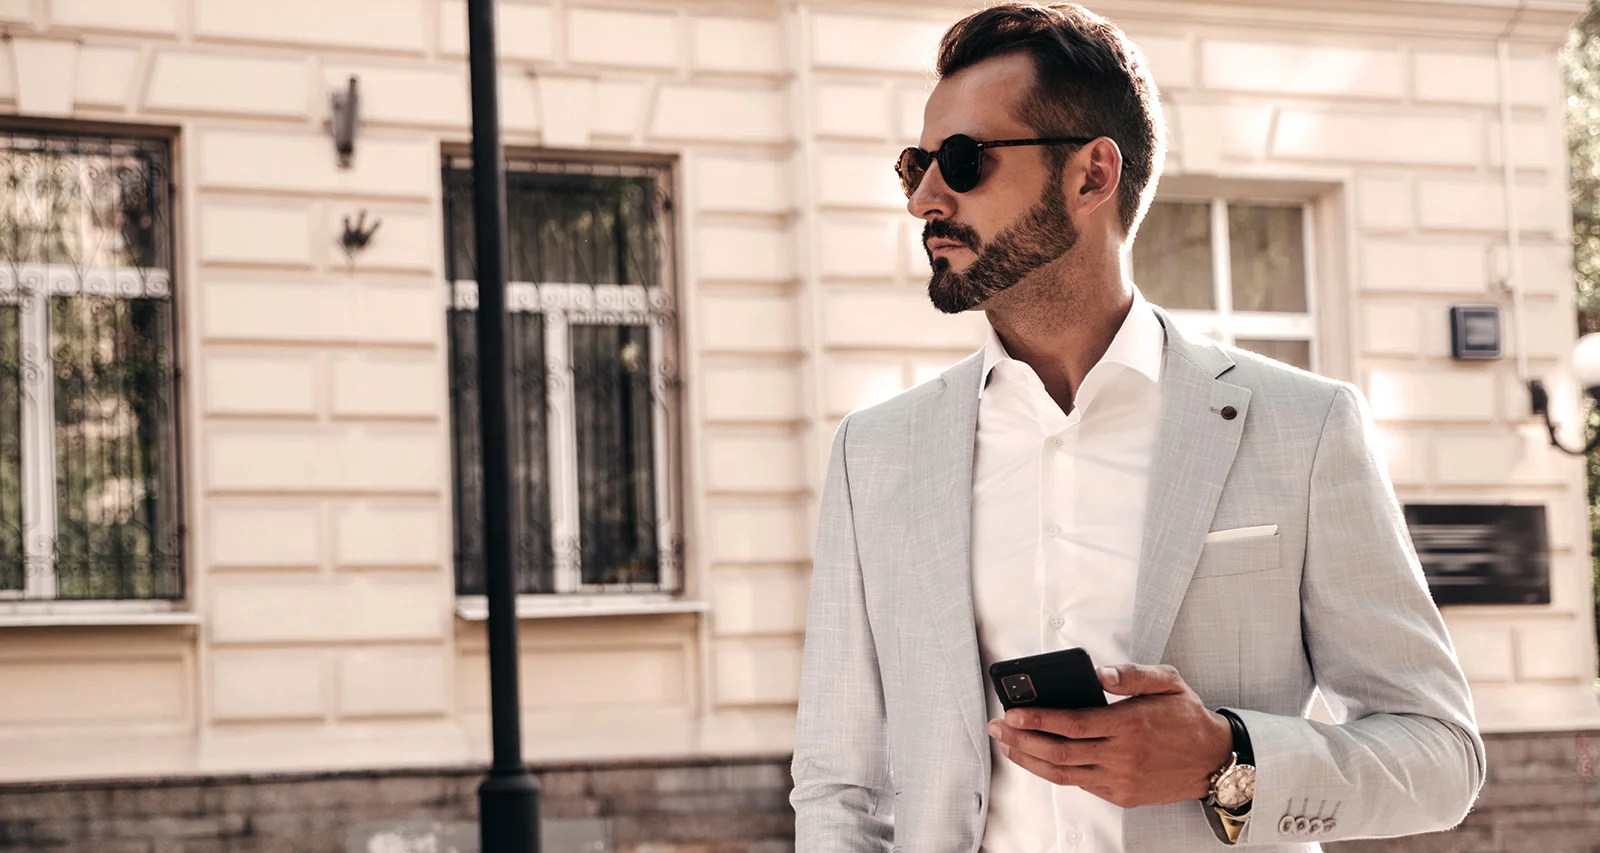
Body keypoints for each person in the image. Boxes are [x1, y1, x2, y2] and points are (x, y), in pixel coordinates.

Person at [788, 3, 1486, 851]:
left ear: (1091, 175)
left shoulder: (1301, 427)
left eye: (964, 161)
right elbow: (840, 785)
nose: (925, 198)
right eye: (916, 165)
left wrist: (1229, 760)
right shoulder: (877, 452)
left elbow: (1440, 754)